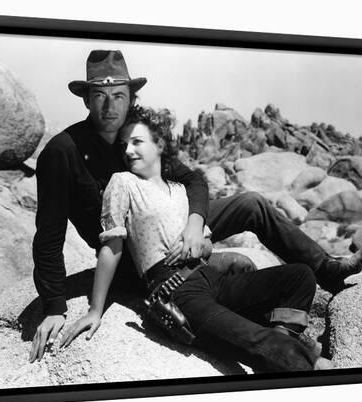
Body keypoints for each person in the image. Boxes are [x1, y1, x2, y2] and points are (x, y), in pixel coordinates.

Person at [29, 49, 362, 363]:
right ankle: (287, 345)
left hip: (173, 228)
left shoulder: (134, 135)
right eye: (100, 96)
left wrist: (195, 224)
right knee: (237, 266)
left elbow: (192, 179)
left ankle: (328, 272)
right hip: (137, 259)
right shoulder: (63, 152)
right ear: (87, 99)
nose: (109, 107)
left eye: (118, 95)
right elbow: (48, 236)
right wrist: (55, 307)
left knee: (250, 203)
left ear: (131, 97)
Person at [60, 106, 333, 372]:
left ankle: (283, 349)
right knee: (256, 339)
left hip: (209, 275)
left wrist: (197, 244)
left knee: (301, 277)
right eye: (124, 144)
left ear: (159, 144)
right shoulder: (122, 182)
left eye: (137, 142)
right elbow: (111, 247)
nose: (128, 150)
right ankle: (301, 362)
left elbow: (207, 244)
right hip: (176, 293)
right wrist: (95, 309)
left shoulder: (180, 189)